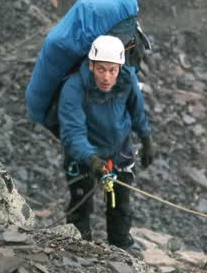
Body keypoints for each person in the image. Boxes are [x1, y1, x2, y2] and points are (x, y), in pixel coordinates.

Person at [58, 34, 155, 248]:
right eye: (101, 69)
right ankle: (79, 246)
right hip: (83, 154)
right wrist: (91, 159)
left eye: (112, 70)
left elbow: (136, 110)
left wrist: (146, 138)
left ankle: (121, 245)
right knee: (81, 201)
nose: (107, 77)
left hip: (119, 149)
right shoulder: (74, 87)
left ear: (120, 67)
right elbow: (72, 132)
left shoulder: (127, 79)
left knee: (121, 203)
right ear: (91, 65)